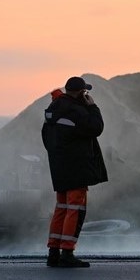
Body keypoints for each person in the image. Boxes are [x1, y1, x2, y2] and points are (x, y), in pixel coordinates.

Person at [41, 76, 108, 268]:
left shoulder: (54, 109)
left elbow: (46, 138)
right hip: (77, 167)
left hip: (60, 167)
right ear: (80, 93)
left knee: (61, 208)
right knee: (75, 209)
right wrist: (93, 107)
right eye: (85, 92)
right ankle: (67, 253)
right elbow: (96, 128)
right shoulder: (77, 111)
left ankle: (53, 252)